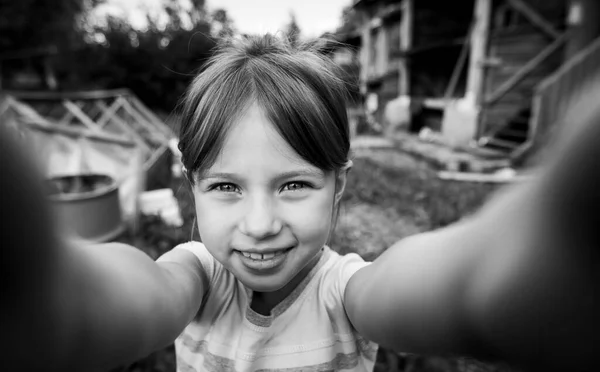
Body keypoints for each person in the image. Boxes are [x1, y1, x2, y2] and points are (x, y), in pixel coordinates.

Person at [0, 34, 598, 372]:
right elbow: (137, 296)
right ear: (191, 186)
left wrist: (491, 278)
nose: (259, 225)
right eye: (226, 187)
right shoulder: (197, 274)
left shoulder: (343, 290)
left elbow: (408, 290)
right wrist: (55, 296)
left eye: (294, 185)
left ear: (338, 185)